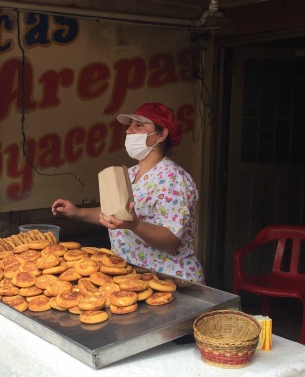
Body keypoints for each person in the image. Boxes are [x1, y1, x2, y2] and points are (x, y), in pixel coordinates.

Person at [52, 102, 205, 283]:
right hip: (134, 277)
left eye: (139, 125)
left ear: (162, 134)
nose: (129, 130)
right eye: (130, 125)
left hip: (171, 280)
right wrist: (77, 212)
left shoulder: (174, 179)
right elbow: (113, 214)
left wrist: (135, 225)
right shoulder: (129, 174)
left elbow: (172, 240)